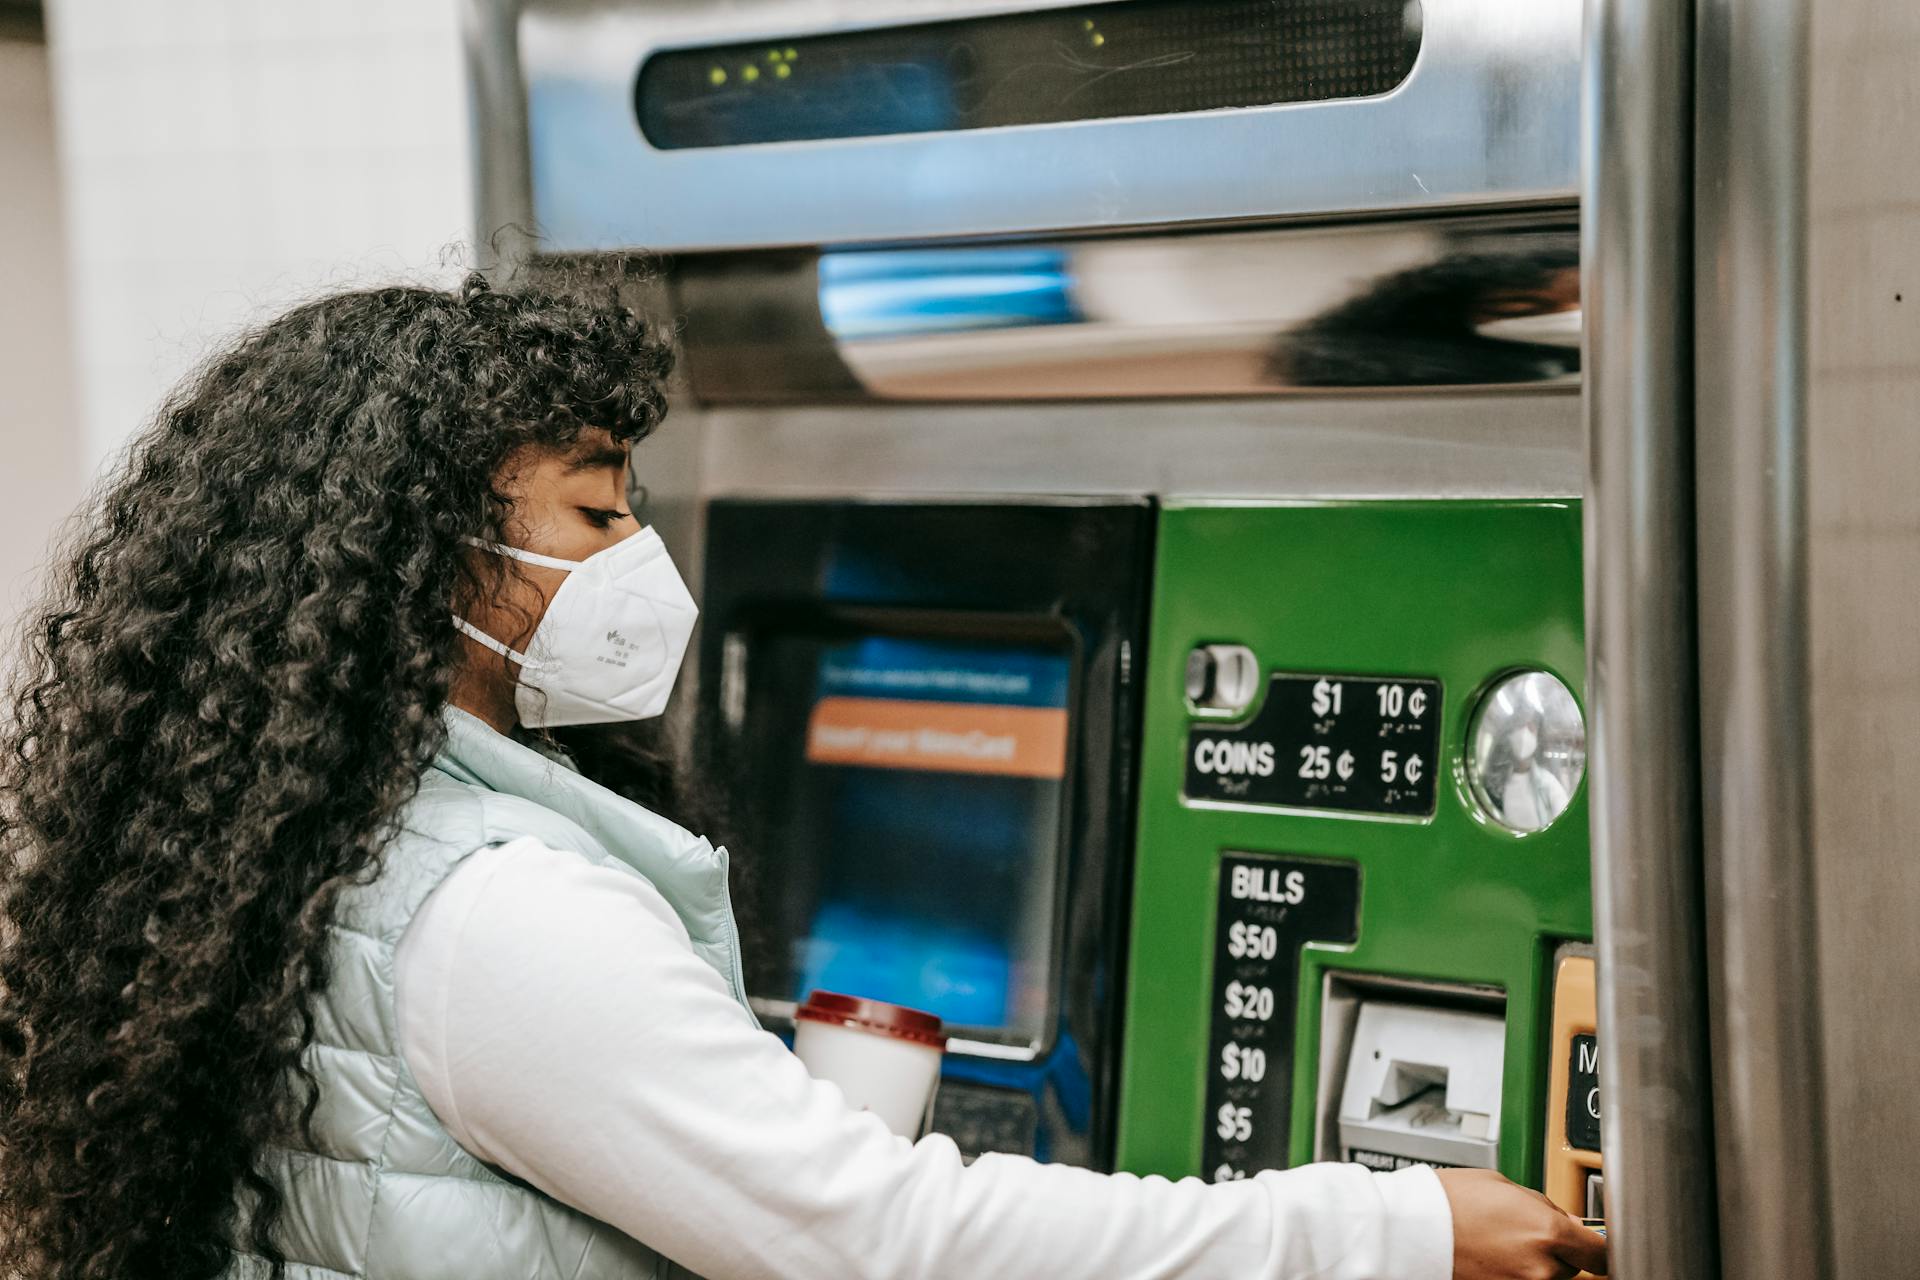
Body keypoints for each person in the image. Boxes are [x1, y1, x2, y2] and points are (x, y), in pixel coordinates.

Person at [0, 276, 1608, 1280]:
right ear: (433, 559)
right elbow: (872, 1238)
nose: (643, 556)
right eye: (591, 513)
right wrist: (1381, 1231)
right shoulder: (499, 912)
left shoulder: (303, 843)